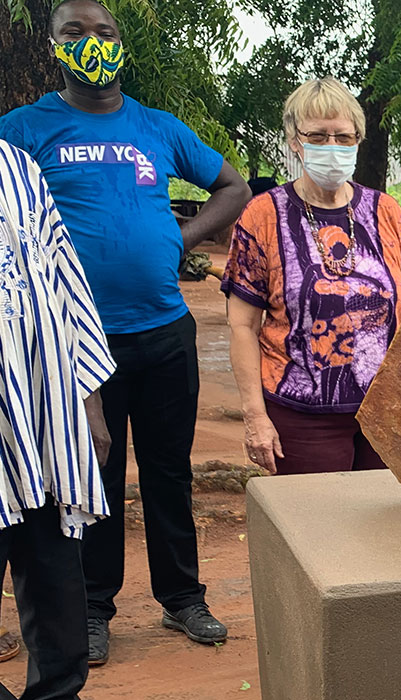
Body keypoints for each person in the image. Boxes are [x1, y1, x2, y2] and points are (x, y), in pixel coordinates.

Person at [0, 0, 252, 664]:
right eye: (74, 33)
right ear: (54, 47)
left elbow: (232, 185)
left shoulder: (158, 127)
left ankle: (183, 599)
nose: (92, 43)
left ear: (120, 43)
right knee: (93, 477)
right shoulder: (23, 130)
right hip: (75, 347)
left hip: (165, 332)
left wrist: (183, 237)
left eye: (104, 32)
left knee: (169, 471)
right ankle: (90, 609)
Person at [223, 77, 401, 475]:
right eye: (317, 135)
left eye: (343, 137)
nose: (332, 147)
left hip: (387, 411)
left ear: (358, 140)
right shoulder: (263, 215)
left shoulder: (386, 212)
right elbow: (242, 326)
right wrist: (255, 417)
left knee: (388, 529)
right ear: (295, 141)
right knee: (318, 531)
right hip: (302, 415)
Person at [0, 138, 116, 699]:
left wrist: (88, 403)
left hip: (45, 424)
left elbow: (64, 280)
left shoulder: (18, 166)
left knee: (61, 621)